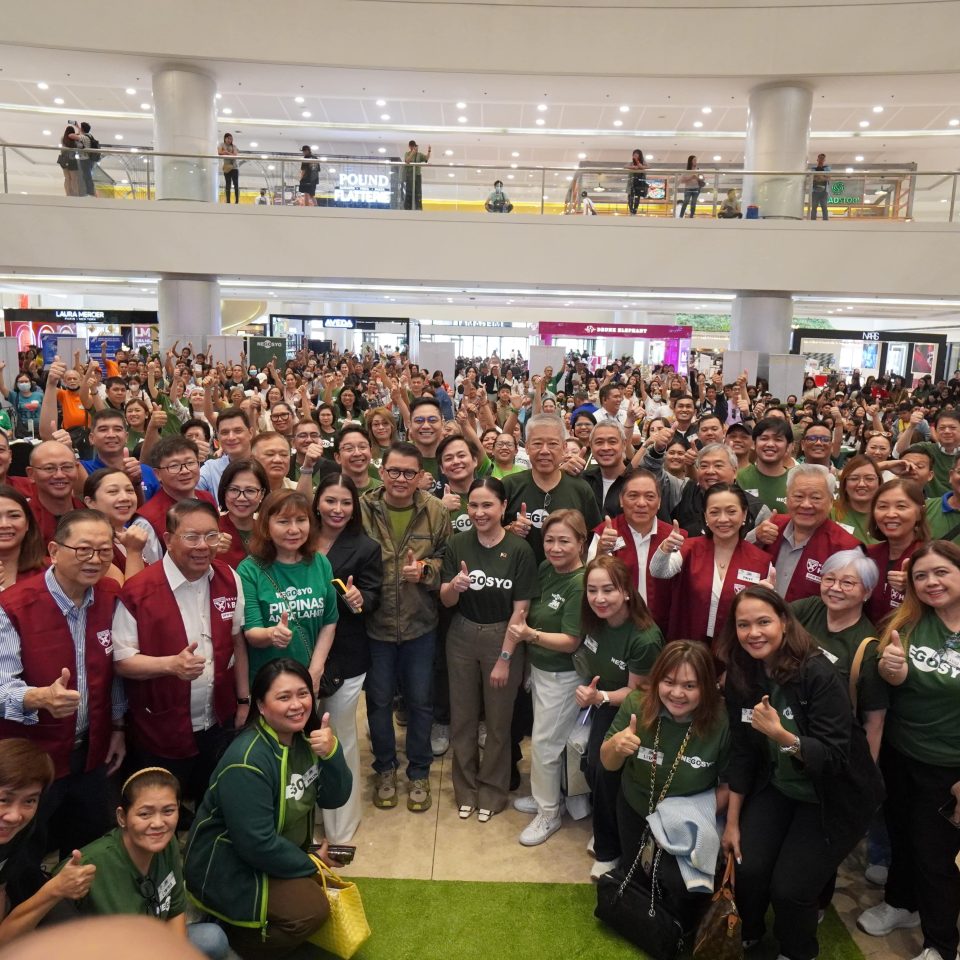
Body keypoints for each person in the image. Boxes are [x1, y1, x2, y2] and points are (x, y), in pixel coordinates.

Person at [718, 586, 883, 960]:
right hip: (778, 786)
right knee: (749, 865)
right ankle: (750, 933)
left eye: (763, 621)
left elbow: (835, 756)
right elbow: (743, 752)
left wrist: (782, 736)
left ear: (784, 621)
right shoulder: (742, 672)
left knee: (790, 889)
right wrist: (732, 823)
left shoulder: (817, 671)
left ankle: (796, 951)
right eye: (743, 625)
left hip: (833, 795)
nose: (753, 633)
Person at [184, 659, 351, 960]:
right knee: (312, 910)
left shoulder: (303, 739)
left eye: (303, 694)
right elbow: (255, 844)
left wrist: (333, 754)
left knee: (316, 899)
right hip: (231, 866)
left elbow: (334, 799)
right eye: (283, 697)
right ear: (261, 706)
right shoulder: (247, 761)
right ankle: (235, 943)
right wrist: (311, 862)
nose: (297, 705)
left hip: (273, 853)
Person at [0, 509, 125, 860]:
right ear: (54, 550)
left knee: (91, 847)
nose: (95, 560)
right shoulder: (13, 606)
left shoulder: (109, 596)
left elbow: (114, 671)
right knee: (23, 856)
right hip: (32, 759)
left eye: (104, 550)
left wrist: (117, 725)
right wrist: (39, 697)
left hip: (92, 755)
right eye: (84, 550)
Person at [856, 541, 960, 960]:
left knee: (934, 856)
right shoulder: (909, 622)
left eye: (941, 573)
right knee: (901, 835)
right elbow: (891, 685)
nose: (931, 583)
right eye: (921, 576)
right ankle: (902, 904)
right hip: (901, 753)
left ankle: (941, 944)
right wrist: (889, 671)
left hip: (949, 767)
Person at [112, 500, 249, 808]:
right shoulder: (138, 590)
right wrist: (170, 665)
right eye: (191, 537)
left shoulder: (229, 577)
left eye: (211, 536)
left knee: (215, 799)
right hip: (159, 726)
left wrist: (243, 700)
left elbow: (237, 641)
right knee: (161, 808)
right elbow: (121, 661)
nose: (203, 546)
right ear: (168, 539)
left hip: (218, 719)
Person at [601, 641, 731, 931]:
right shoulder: (636, 703)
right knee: (637, 883)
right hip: (636, 808)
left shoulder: (722, 720)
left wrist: (682, 817)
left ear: (706, 688)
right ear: (657, 679)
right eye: (668, 682)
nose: (677, 693)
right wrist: (616, 747)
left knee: (682, 889)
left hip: (687, 822)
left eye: (689, 686)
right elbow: (607, 764)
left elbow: (731, 785)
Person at [36, 768, 228, 958]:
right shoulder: (87, 866)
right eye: (145, 814)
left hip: (151, 942)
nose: (158, 823)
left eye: (168, 811)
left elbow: (175, 912)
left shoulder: (166, 843)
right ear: (122, 817)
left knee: (213, 938)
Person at [360, 442, 451, 813]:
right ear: (382, 472)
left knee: (420, 702)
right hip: (375, 624)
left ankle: (418, 771)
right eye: (393, 471)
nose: (400, 479)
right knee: (378, 702)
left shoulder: (435, 511)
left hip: (419, 623)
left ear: (420, 477)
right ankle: (384, 767)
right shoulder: (363, 509)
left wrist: (426, 570)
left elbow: (448, 557)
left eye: (408, 473)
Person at [439, 478, 537, 821]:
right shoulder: (457, 544)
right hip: (462, 635)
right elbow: (446, 598)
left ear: (503, 507)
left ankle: (493, 793)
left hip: (503, 636)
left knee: (498, 722)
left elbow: (521, 609)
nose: (480, 512)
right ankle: (465, 789)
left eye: (487, 505)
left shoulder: (520, 550)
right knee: (463, 718)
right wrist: (454, 585)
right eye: (474, 505)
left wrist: (506, 658)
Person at [578, 555, 663, 879]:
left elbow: (638, 694)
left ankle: (609, 850)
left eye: (608, 590)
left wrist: (597, 697)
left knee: (605, 769)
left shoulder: (644, 638)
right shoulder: (595, 619)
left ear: (626, 591)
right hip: (603, 702)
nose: (599, 598)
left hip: (632, 710)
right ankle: (604, 823)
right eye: (592, 590)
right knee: (592, 766)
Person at [506, 510, 586, 846]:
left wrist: (529, 635)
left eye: (564, 541)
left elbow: (571, 641)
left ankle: (550, 813)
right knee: (546, 741)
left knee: (546, 745)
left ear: (581, 542)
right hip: (541, 671)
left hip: (563, 675)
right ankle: (546, 798)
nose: (554, 548)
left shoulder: (580, 583)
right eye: (549, 540)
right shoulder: (545, 568)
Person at [312, 473, 383, 843]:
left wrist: (359, 601)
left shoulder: (365, 547)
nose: (337, 509)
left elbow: (373, 597)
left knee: (340, 735)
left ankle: (341, 822)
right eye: (330, 501)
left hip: (346, 658)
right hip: (298, 654)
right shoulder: (298, 538)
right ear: (317, 503)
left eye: (345, 502)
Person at [238, 490, 338, 693]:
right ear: (266, 525)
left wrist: (315, 671)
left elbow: (329, 621)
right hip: (268, 682)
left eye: (301, 520)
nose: (294, 529)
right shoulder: (249, 569)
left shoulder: (320, 563)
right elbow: (251, 632)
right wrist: (271, 633)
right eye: (283, 521)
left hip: (309, 677)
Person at [651, 483, 772, 648]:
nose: (723, 519)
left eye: (731, 511)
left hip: (735, 650)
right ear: (706, 517)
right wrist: (665, 548)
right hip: (689, 646)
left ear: (744, 514)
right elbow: (659, 572)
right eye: (714, 512)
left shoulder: (761, 560)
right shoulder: (689, 548)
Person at [0, 739, 89, 944]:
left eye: (29, 800)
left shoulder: (18, 826)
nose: (15, 816)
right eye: (4, 799)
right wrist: (54, 889)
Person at [751, 463, 860, 601]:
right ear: (787, 498)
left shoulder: (847, 548)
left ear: (831, 502)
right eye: (798, 496)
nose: (806, 504)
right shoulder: (771, 526)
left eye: (815, 498)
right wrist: (756, 538)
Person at [504, 414, 601, 566]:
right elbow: (490, 534)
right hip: (517, 577)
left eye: (552, 444)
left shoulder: (581, 489)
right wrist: (510, 530)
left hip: (565, 582)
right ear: (527, 447)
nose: (544, 451)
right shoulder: (509, 485)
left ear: (564, 448)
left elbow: (593, 539)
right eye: (537, 444)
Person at [588, 468, 676, 628]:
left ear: (659, 502)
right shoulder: (605, 533)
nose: (641, 503)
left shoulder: (674, 536)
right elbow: (589, 581)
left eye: (650, 497)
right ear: (621, 500)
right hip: (616, 624)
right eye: (633, 496)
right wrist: (601, 552)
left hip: (663, 626)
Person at [865, 479, 929, 625]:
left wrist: (915, 588)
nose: (891, 514)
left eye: (901, 506)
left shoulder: (931, 560)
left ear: (920, 512)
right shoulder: (867, 555)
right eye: (882, 506)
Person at [82, 469, 160, 579]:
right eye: (113, 491)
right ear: (90, 502)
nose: (125, 498)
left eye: (129, 490)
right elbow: (130, 594)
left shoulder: (131, 534)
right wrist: (134, 552)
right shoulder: (92, 543)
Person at [138, 437, 217, 541]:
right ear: (157, 474)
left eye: (190, 463)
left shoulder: (207, 498)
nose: (185, 471)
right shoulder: (148, 519)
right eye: (174, 465)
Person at [215, 458, 268, 570]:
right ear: (224, 492)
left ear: (262, 494)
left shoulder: (268, 531)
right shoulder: (210, 531)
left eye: (250, 491)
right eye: (234, 489)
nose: (241, 498)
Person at [737, 417, 793, 512]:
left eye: (778, 439)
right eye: (764, 438)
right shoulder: (739, 477)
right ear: (754, 444)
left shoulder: (795, 480)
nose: (770, 444)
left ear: (788, 447)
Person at [197, 407, 255, 496]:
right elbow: (188, 493)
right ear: (218, 436)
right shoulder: (211, 469)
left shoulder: (266, 463)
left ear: (250, 433)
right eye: (225, 432)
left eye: (238, 431)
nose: (231, 437)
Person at [830, 454, 882, 544]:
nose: (861, 484)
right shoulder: (830, 511)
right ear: (845, 484)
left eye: (869, 478)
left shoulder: (887, 515)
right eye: (854, 479)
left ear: (879, 483)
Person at [402, 139, 431, 210]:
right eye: (411, 146)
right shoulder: (407, 153)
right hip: (409, 176)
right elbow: (407, 161)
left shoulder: (419, 155)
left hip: (417, 175)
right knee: (409, 192)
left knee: (418, 193)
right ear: (409, 146)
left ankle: (418, 208)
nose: (412, 147)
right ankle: (408, 208)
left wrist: (429, 151)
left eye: (413, 146)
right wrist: (413, 152)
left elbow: (426, 158)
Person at [57, 126, 80, 196]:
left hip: (63, 160)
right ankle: (75, 194)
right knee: (74, 179)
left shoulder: (63, 138)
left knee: (67, 178)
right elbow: (79, 147)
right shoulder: (75, 140)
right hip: (72, 160)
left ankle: (68, 193)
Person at [218, 133, 239, 204]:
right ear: (225, 138)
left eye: (231, 139)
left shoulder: (234, 146)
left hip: (234, 167)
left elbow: (235, 155)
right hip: (227, 168)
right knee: (228, 184)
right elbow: (219, 152)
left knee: (236, 184)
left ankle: (237, 201)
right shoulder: (221, 145)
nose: (230, 140)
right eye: (228, 138)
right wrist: (229, 153)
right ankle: (228, 201)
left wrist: (226, 152)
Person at [626, 148, 647, 216]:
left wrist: (639, 165)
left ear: (640, 155)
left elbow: (648, 167)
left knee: (637, 197)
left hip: (639, 183)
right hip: (631, 182)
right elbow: (625, 166)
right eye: (634, 154)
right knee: (630, 197)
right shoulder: (631, 163)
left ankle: (634, 212)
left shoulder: (643, 162)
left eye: (636, 154)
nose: (635, 156)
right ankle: (631, 211)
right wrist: (633, 167)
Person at [810, 153, 831, 220]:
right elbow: (813, 178)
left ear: (824, 160)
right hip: (815, 191)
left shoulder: (827, 168)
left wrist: (819, 177)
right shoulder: (813, 168)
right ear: (817, 159)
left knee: (824, 206)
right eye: (820, 158)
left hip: (824, 191)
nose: (821, 160)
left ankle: (825, 221)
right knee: (814, 207)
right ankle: (812, 221)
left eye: (822, 158)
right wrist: (822, 177)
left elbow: (828, 177)